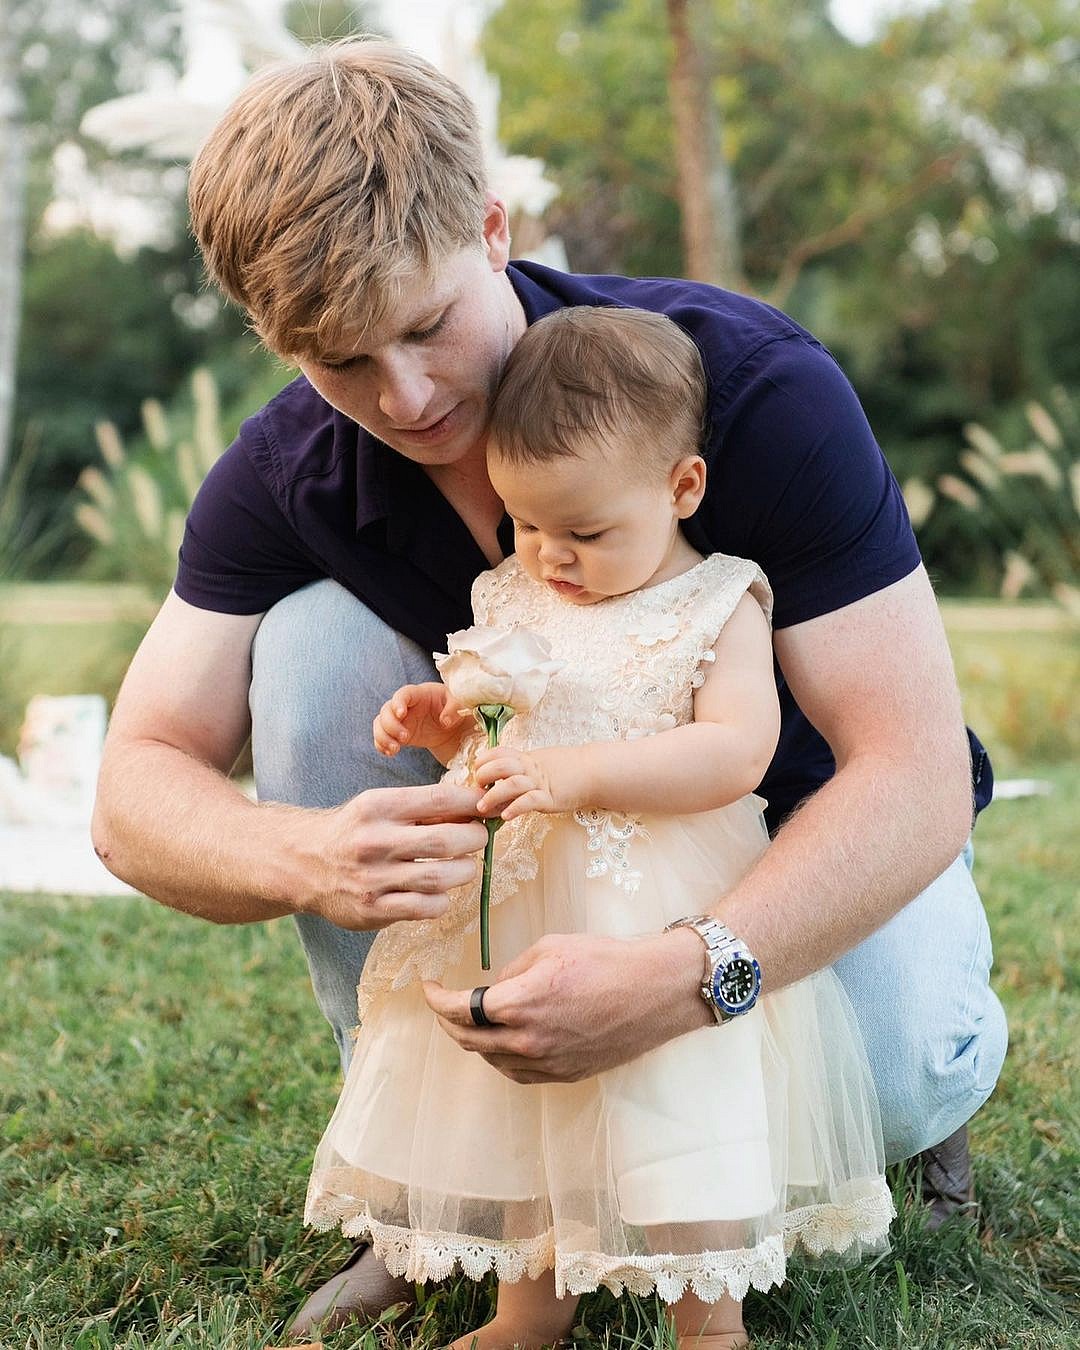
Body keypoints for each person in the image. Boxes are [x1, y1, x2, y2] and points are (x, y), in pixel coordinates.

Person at [90, 37, 1006, 1334]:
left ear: (492, 226)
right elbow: (133, 790)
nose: (403, 397)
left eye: (425, 326)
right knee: (306, 642)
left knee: (892, 1076)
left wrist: (689, 975)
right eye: (341, 361)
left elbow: (907, 776)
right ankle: (431, 1170)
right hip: (550, 863)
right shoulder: (291, 467)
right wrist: (302, 854)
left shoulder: (745, 391)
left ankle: (939, 1094)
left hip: (785, 829)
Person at [303, 305, 895, 1350]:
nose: (553, 557)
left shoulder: (719, 604)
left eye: (585, 532)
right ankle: (528, 1311)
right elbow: (498, 733)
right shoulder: (514, 592)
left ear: (682, 489)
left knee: (679, 1109)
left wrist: (574, 774)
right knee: (521, 1112)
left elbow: (733, 756)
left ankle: (708, 1323)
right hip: (529, 900)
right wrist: (444, 723)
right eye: (527, 526)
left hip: (661, 904)